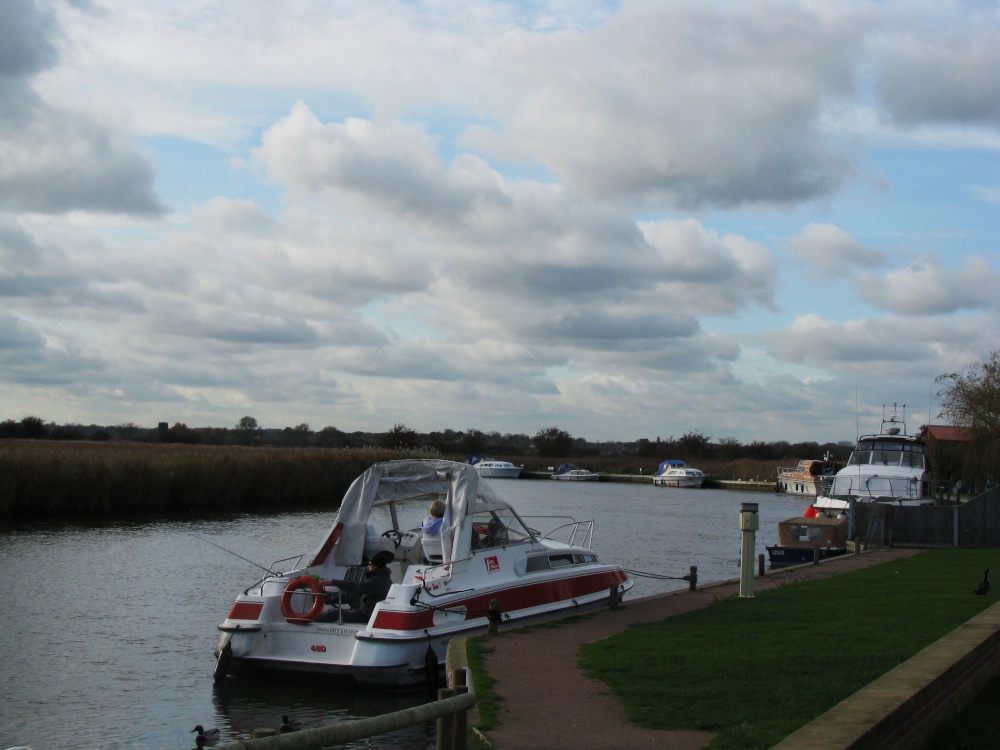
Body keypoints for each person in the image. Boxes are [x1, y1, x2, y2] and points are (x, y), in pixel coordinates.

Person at [317, 550, 394, 623]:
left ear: (375, 567)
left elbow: (356, 587)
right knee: (349, 595)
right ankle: (323, 596)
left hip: (367, 615)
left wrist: (332, 582)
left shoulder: (377, 581)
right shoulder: (384, 577)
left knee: (335, 613)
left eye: (370, 564)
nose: (368, 567)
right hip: (368, 606)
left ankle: (312, 618)